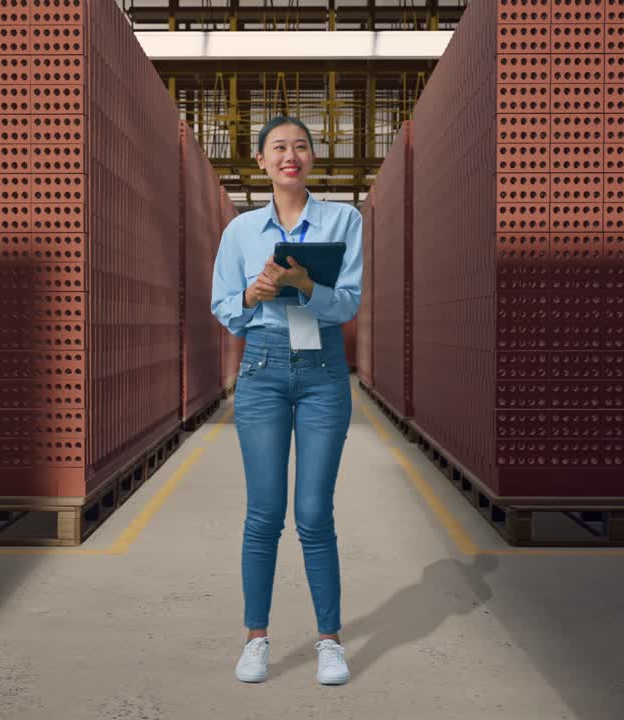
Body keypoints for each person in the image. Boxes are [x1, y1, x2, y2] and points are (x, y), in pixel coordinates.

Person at [210, 116, 363, 686]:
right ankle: (257, 639)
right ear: (261, 160)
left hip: (323, 369)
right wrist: (254, 292)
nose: (289, 156)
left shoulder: (344, 219)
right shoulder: (240, 232)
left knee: (314, 514)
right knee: (264, 514)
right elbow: (224, 306)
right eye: (278, 147)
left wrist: (305, 286)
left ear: (312, 158)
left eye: (300, 146)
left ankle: (329, 642)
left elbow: (346, 304)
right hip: (264, 368)